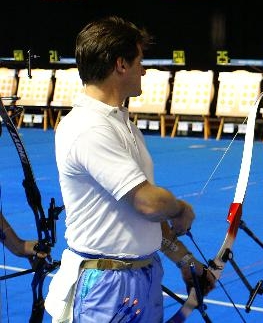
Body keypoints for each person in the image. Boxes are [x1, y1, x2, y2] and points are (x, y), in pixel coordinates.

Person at [46, 16, 215, 323]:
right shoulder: (88, 126)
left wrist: (185, 260)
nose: (144, 69)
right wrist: (180, 209)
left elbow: (142, 217)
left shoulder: (121, 123)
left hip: (140, 277)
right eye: (140, 61)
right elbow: (148, 202)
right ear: (121, 64)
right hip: (106, 286)